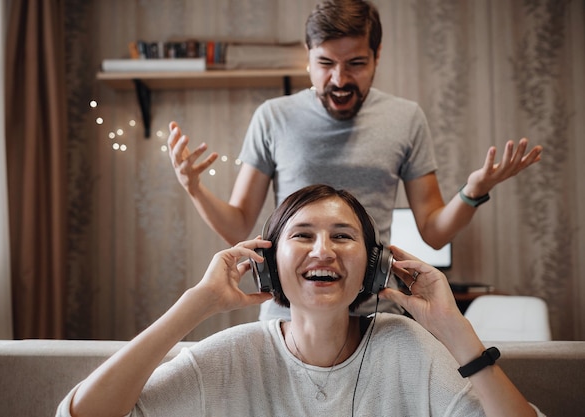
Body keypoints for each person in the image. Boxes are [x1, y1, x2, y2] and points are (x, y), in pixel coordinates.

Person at [168, 0, 543, 320]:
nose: (339, 79)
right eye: (325, 63)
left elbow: (434, 230)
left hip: (377, 311)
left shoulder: (406, 118)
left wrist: (473, 192)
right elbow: (239, 228)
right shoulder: (273, 116)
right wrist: (195, 188)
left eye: (356, 64)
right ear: (308, 55)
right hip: (288, 314)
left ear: (377, 55)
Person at [57, 184, 544, 417]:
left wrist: (454, 329)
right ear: (269, 265)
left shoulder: (407, 349)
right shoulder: (231, 356)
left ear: (374, 267)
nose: (323, 250)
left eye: (343, 236)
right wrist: (196, 304)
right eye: (303, 235)